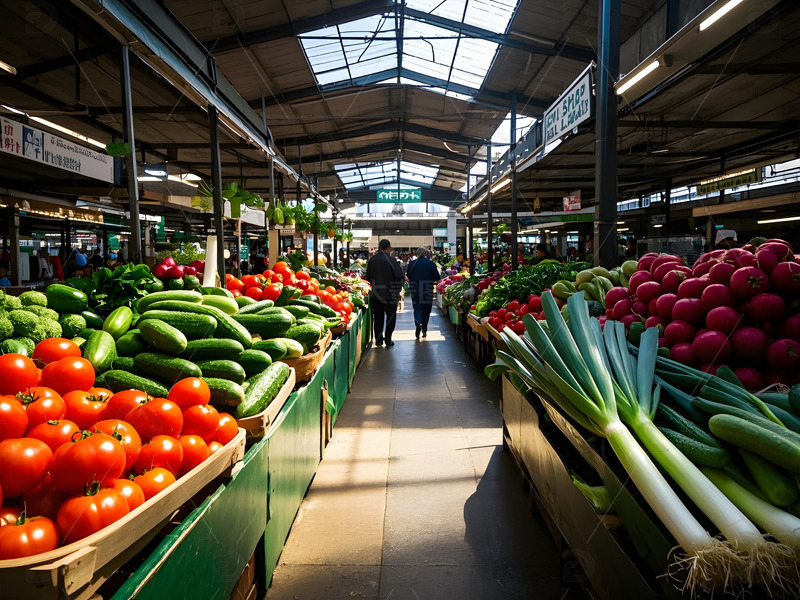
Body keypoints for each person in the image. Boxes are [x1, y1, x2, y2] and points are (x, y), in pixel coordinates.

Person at [365, 239, 403, 347]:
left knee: (378, 317)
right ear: (388, 248)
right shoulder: (392, 260)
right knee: (391, 316)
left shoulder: (372, 260)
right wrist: (397, 290)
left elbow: (368, 277)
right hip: (390, 294)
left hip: (376, 294)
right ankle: (388, 339)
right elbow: (398, 276)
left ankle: (378, 340)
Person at [407, 246, 440, 340]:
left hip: (415, 289)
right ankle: (424, 329)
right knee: (426, 310)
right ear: (426, 253)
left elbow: (409, 275)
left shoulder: (412, 263)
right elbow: (437, 277)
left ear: (417, 254)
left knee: (417, 308)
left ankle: (418, 322)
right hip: (427, 290)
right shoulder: (431, 263)